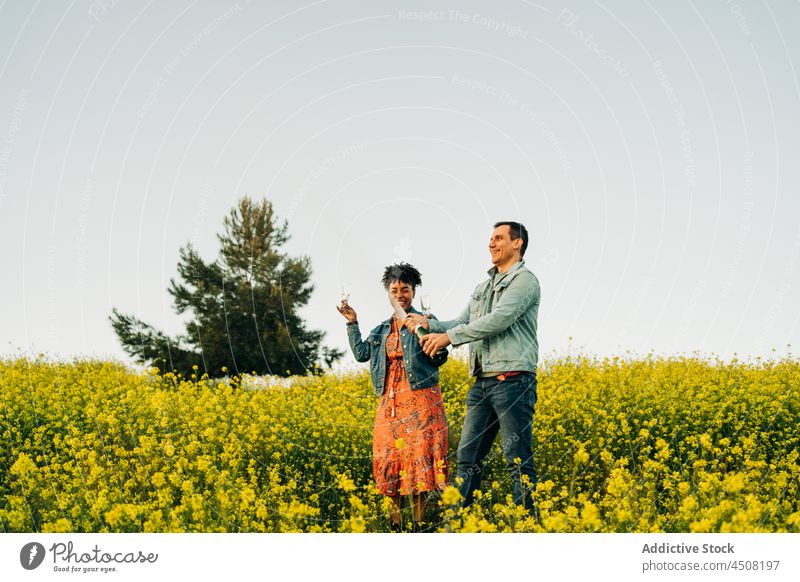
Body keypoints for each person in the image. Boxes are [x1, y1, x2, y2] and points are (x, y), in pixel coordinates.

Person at [410, 222, 540, 513]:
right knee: (467, 458)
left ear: (517, 243)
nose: (491, 244)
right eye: (490, 239)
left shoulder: (524, 281)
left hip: (513, 380)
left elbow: (499, 319)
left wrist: (448, 338)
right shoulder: (483, 287)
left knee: (516, 459)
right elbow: (461, 322)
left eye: (498, 238)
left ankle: (527, 526)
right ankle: (460, 524)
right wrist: (427, 324)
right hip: (482, 383)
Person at [336, 263, 449, 531]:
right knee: (391, 459)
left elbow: (441, 357)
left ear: (413, 291)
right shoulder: (380, 329)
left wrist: (426, 331)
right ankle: (395, 525)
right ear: (388, 293)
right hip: (390, 404)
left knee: (419, 459)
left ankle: (419, 525)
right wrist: (353, 323)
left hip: (421, 400)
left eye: (405, 289)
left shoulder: (425, 322)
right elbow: (362, 354)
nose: (400, 294)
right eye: (394, 289)